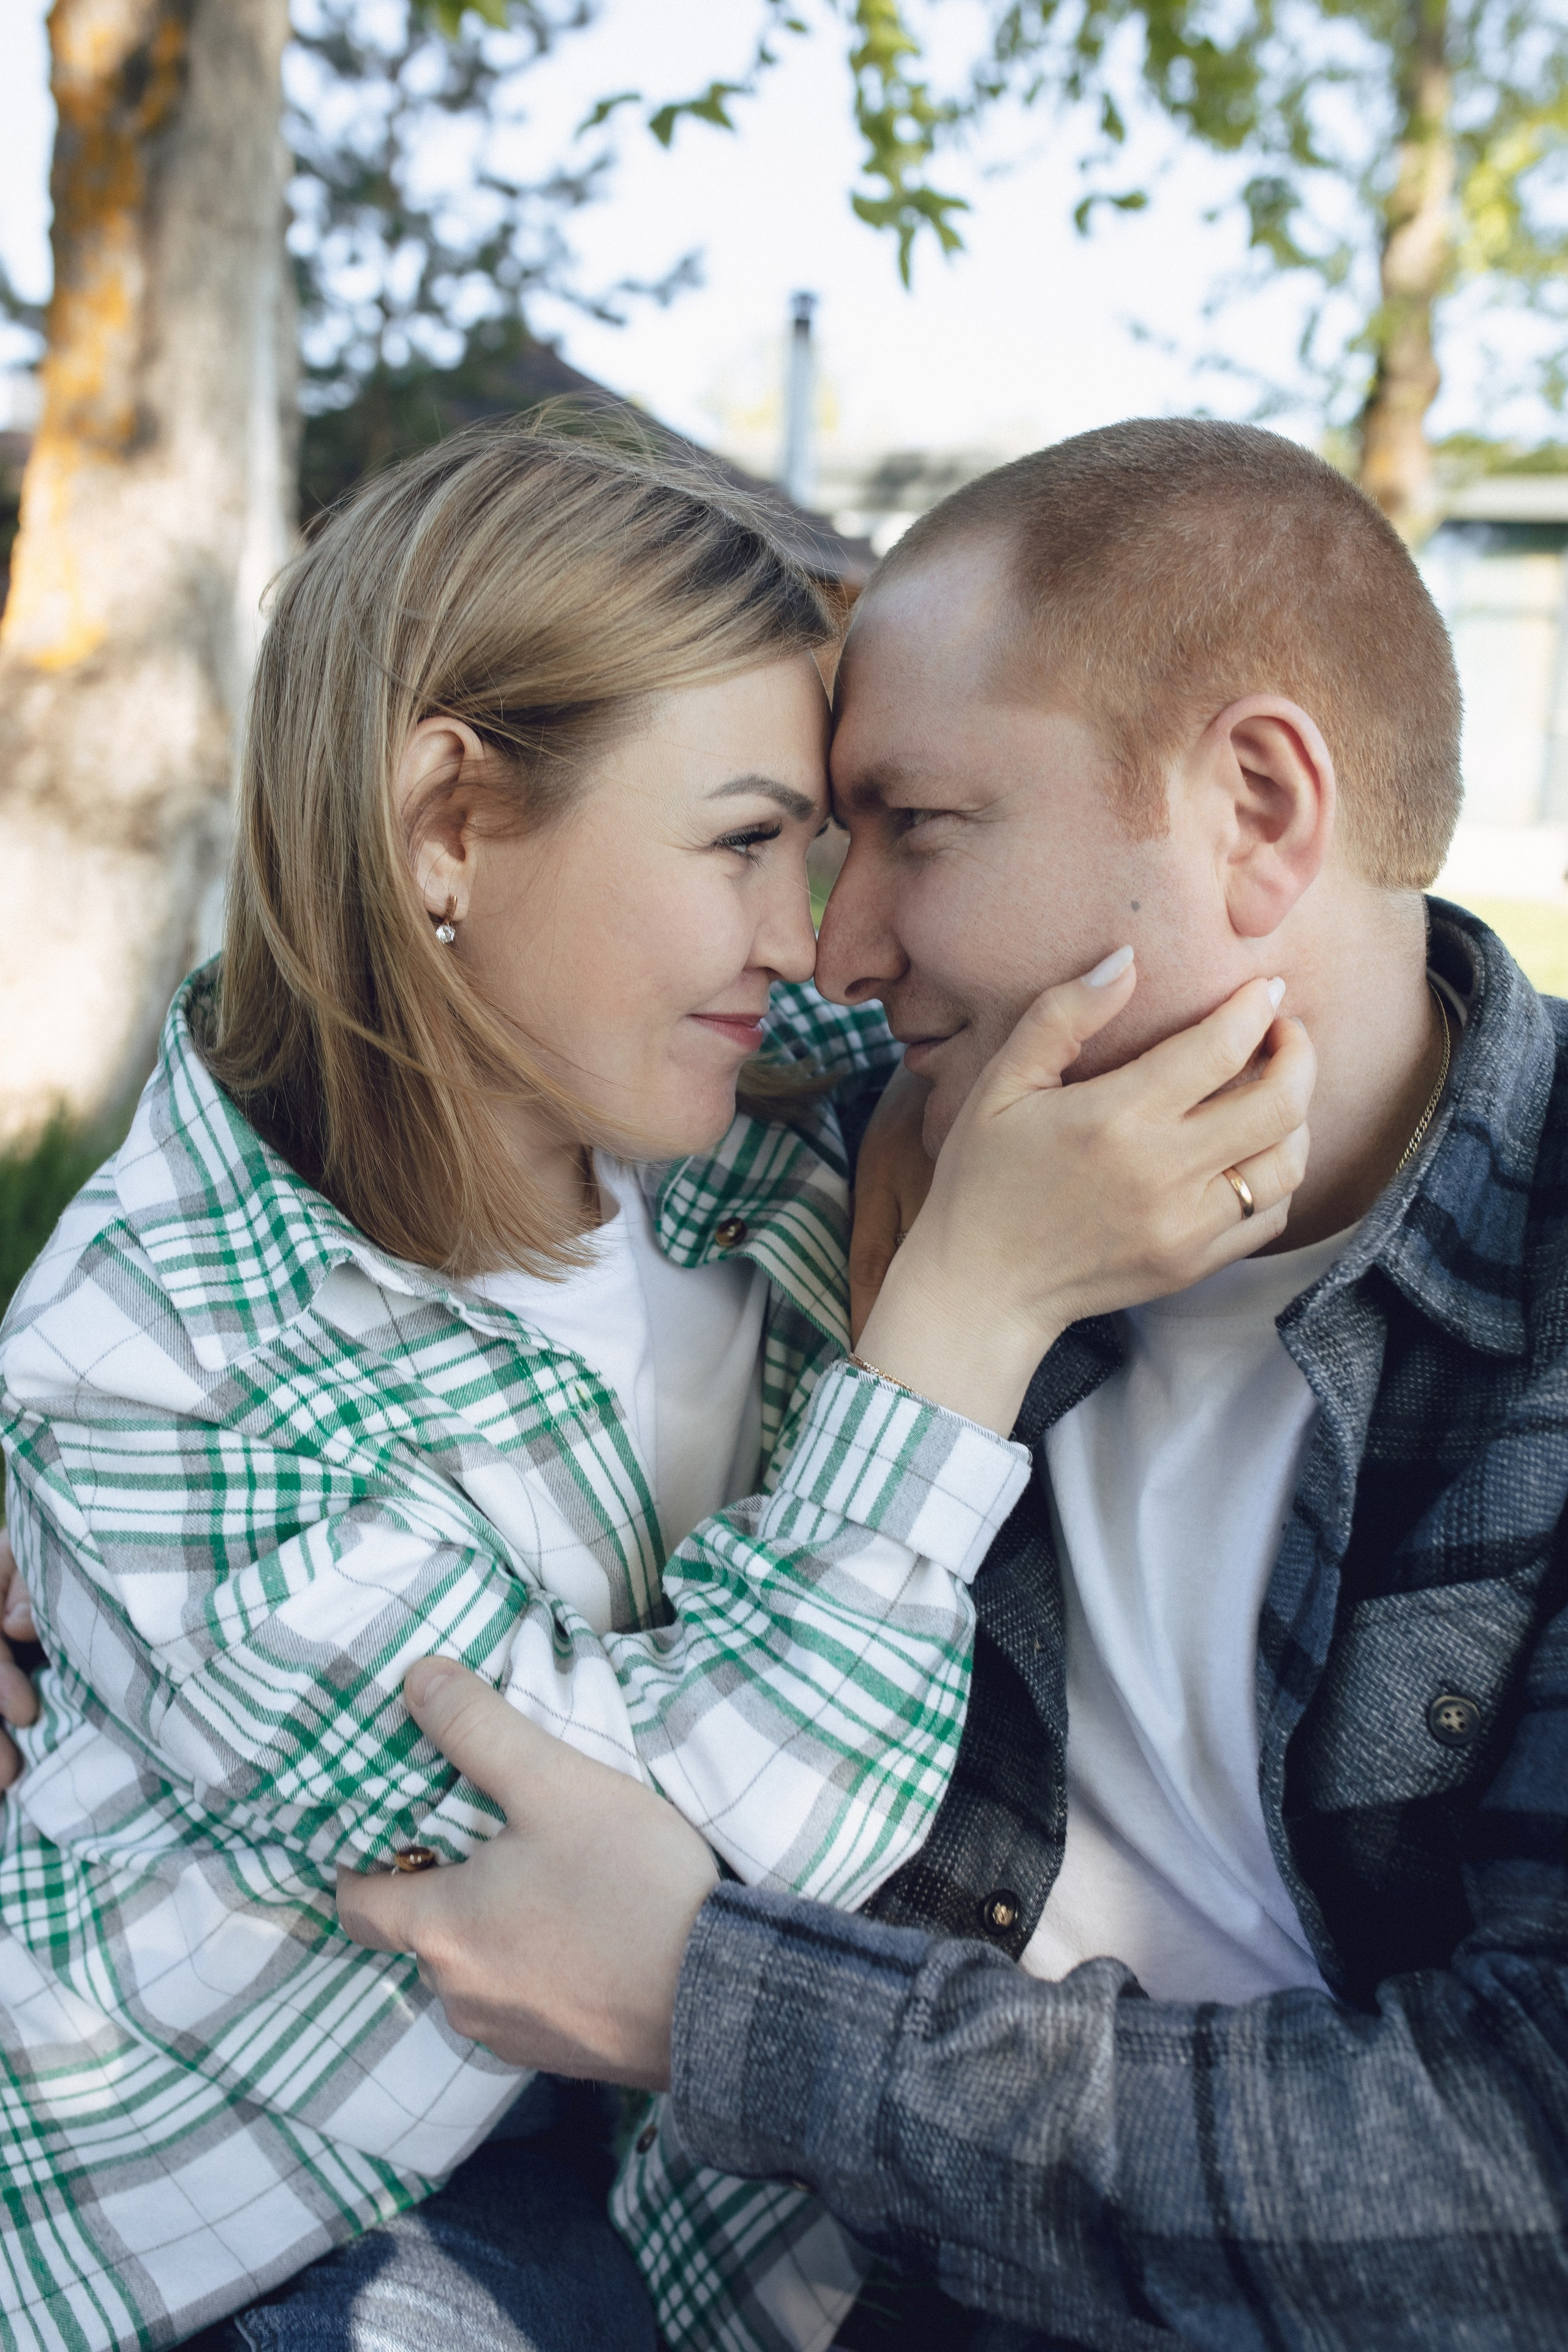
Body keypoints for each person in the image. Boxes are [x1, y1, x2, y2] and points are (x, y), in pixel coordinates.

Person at [0, 425, 1306, 2352]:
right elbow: (687, 1885)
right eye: (744, 842)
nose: (813, 943)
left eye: (839, 847)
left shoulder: (746, 1136)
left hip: (643, 2206)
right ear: (450, 821)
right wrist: (962, 1319)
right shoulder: (149, 1367)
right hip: (232, 2239)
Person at [341, 418, 1568, 2352]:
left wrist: (712, 2002)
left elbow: (1519, 2186)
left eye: (918, 828)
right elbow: (370, 1164)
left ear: (1257, 808)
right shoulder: (838, 1159)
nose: (839, 946)